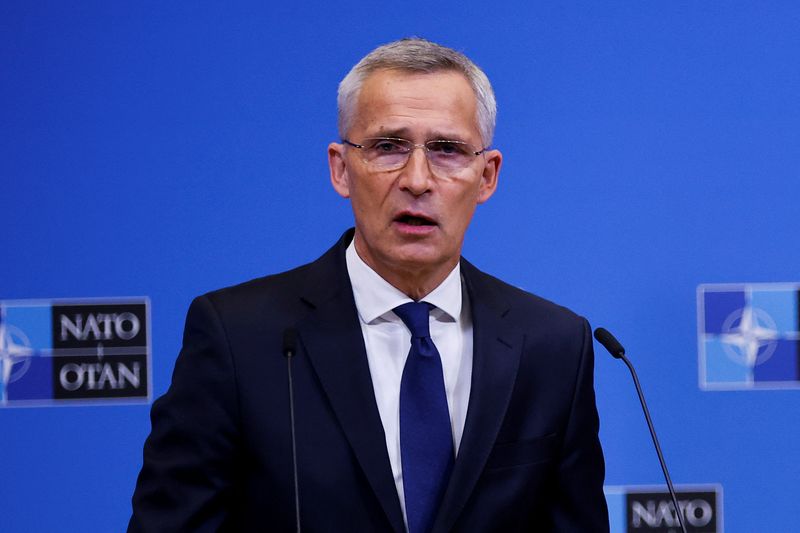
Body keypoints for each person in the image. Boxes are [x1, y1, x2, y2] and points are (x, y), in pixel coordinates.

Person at [129, 37, 609, 532]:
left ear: (486, 176)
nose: (417, 179)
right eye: (388, 147)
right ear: (341, 168)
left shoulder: (552, 346)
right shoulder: (239, 337)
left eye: (446, 149)